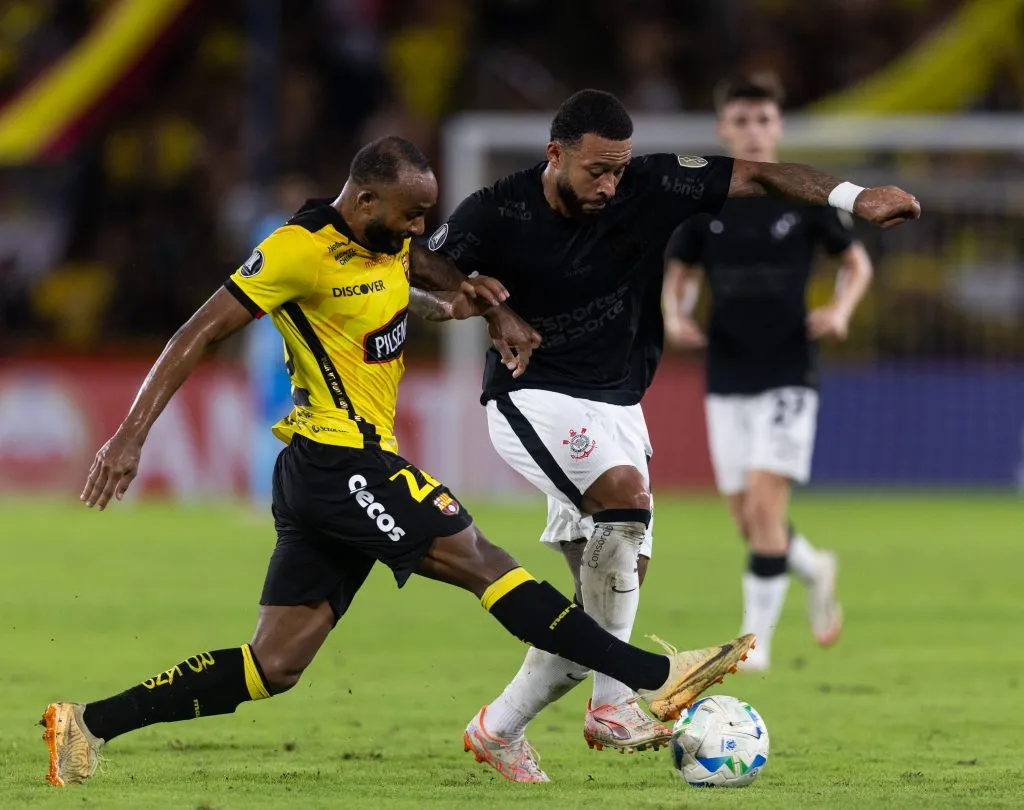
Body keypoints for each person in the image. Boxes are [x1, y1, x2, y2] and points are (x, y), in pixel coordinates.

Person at [40, 135, 756, 788]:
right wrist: (128, 436)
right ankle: (656, 678)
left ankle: (86, 723)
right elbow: (192, 335)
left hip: (336, 473)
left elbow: (396, 294)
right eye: (412, 216)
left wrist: (473, 307)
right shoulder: (296, 250)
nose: (420, 231)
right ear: (366, 199)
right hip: (336, 463)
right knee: (484, 561)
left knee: (274, 665)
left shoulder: (381, 243)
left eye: (425, 217)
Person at [425, 89, 918, 780]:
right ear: (555, 154)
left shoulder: (651, 183)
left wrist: (853, 196)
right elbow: (425, 262)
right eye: (597, 170)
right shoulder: (498, 208)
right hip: (530, 393)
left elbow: (760, 174)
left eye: (619, 169)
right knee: (625, 504)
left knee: (604, 597)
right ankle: (614, 702)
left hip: (620, 403)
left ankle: (498, 728)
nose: (610, 184)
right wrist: (485, 305)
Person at [661, 75, 874, 671]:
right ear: (722, 128)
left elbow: (855, 264)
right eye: (742, 120)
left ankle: (755, 645)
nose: (753, 130)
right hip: (726, 369)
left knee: (763, 502)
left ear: (777, 127)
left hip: (788, 370)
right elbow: (680, 274)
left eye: (763, 120)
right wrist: (675, 318)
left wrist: (839, 309)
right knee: (747, 517)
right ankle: (813, 566)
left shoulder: (805, 195)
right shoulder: (704, 202)